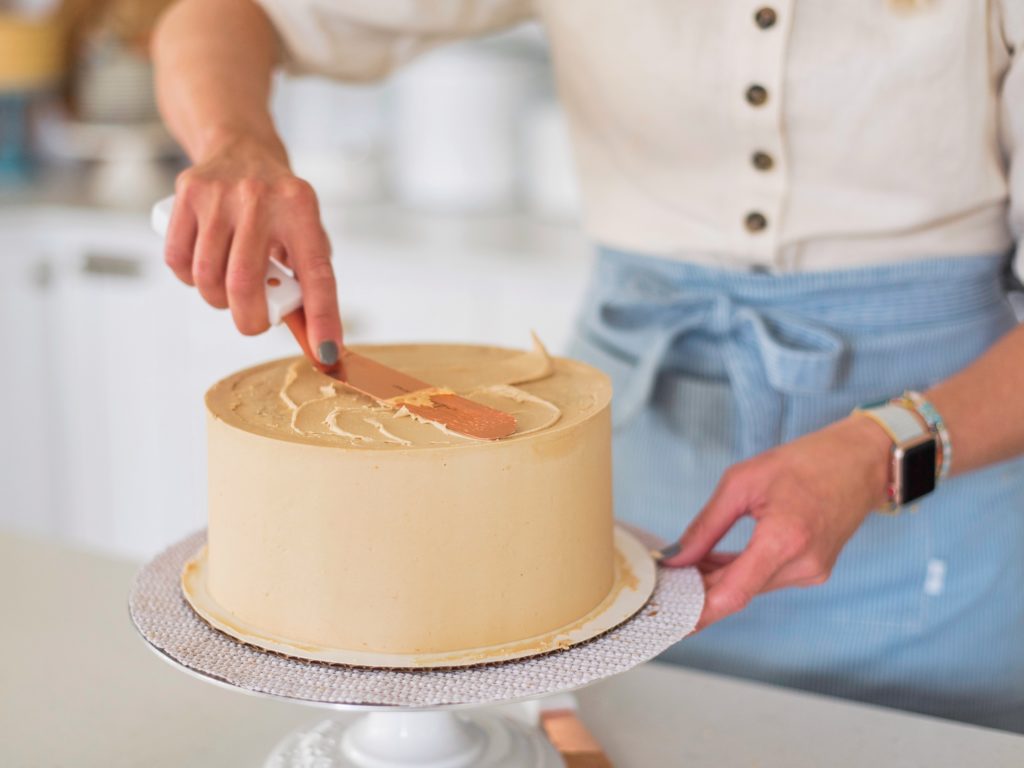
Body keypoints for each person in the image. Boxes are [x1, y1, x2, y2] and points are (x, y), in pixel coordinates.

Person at [153, 0, 1024, 732]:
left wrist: (884, 450)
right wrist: (236, 143)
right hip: (610, 519)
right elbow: (223, 15)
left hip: (945, 497)